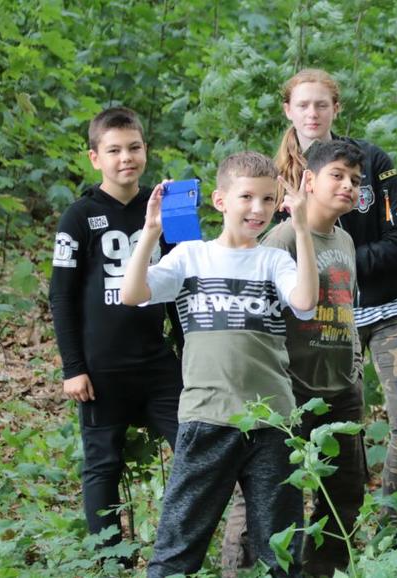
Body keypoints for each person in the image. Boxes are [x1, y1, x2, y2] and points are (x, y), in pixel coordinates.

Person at [121, 152, 318, 578]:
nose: (258, 209)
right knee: (178, 547)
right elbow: (132, 293)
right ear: (219, 200)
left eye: (268, 200)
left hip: (272, 424)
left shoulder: (274, 260)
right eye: (246, 197)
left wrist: (301, 227)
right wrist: (150, 234)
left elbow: (304, 302)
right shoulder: (191, 256)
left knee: (281, 551)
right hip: (207, 418)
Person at [275, 68, 397, 501]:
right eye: (303, 104)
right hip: (325, 320)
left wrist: (340, 264)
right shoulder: (277, 176)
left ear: (336, 108)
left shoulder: (370, 161)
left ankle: (389, 531)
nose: (313, 113)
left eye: (322, 104)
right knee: (335, 434)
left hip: (387, 306)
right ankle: (328, 542)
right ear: (288, 110)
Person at [228, 140, 367, 577]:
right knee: (269, 494)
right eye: (338, 175)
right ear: (309, 180)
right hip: (292, 388)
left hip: (342, 388)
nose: (348, 186)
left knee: (342, 491)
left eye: (356, 181)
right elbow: (262, 314)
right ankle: (245, 570)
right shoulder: (284, 237)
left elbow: (348, 310)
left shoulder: (344, 238)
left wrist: (357, 369)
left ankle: (321, 570)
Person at [47, 106, 182, 552]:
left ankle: (178, 546)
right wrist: (73, 367)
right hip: (101, 369)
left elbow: (183, 286)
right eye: (114, 150)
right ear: (95, 158)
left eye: (134, 147)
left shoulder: (165, 209)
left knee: (195, 447)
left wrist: (189, 350)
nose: (126, 157)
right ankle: (108, 559)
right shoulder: (79, 217)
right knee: (102, 464)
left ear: (146, 150)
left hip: (159, 364)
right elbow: (62, 296)